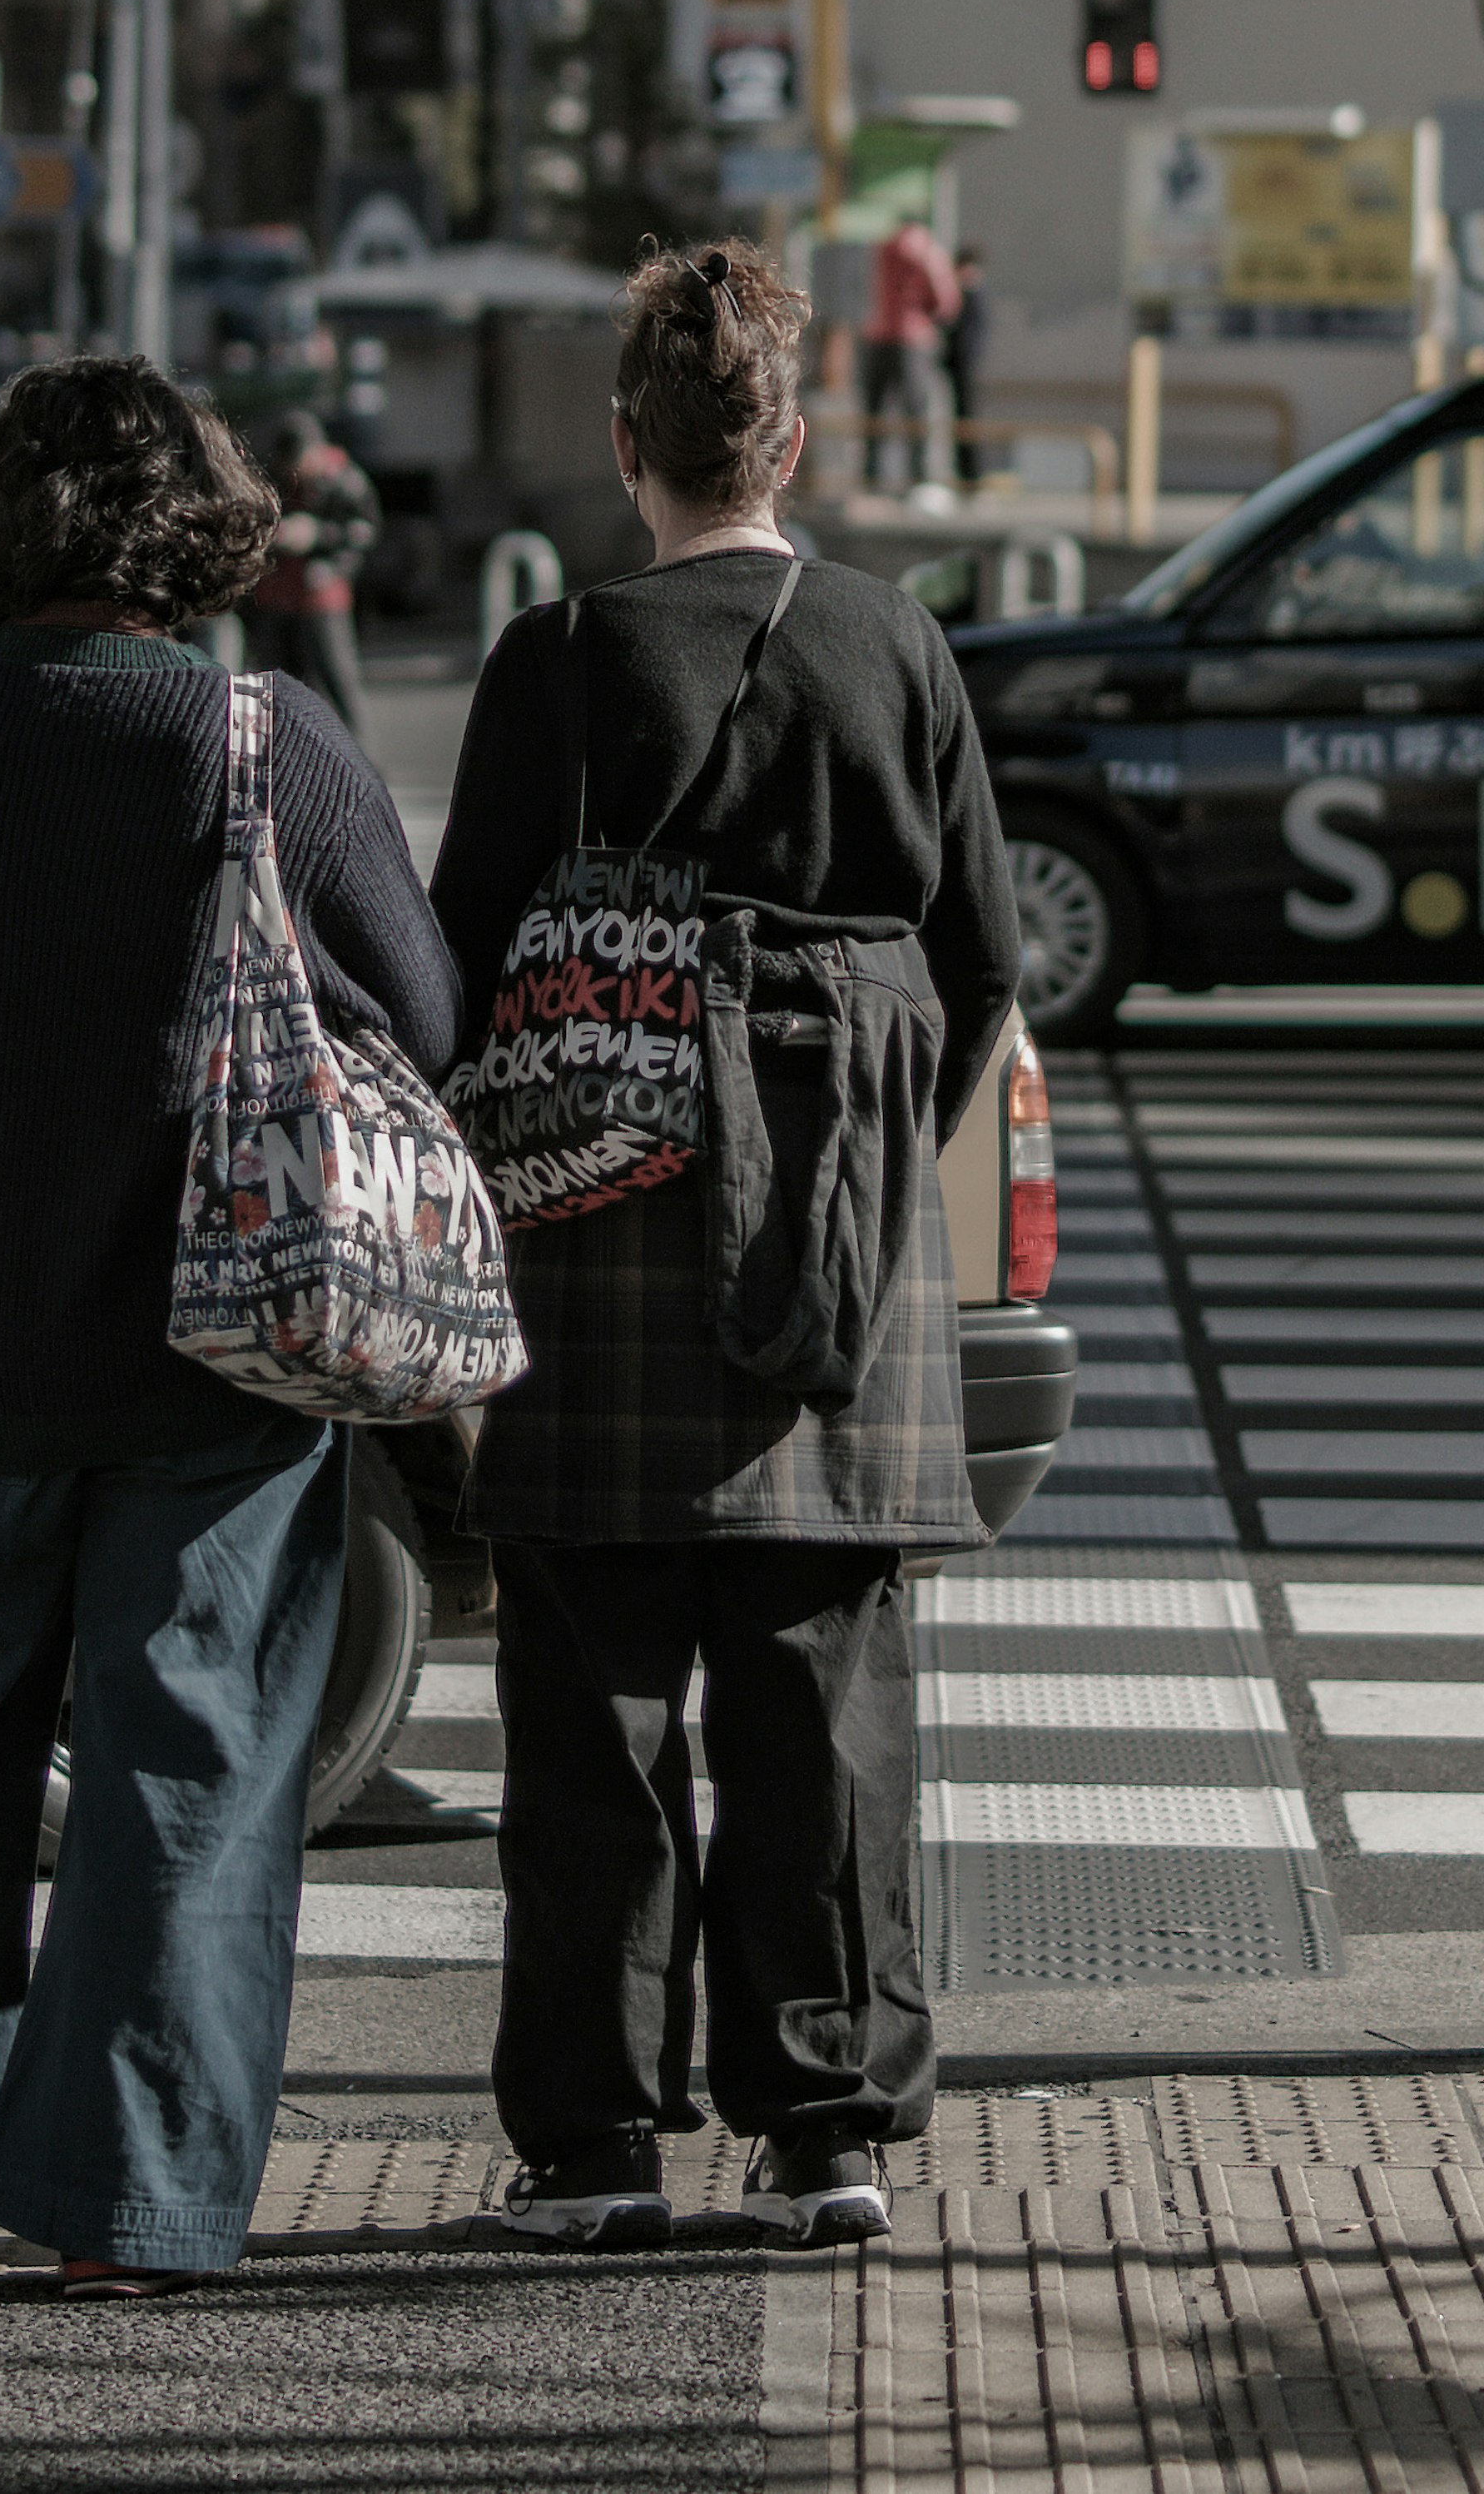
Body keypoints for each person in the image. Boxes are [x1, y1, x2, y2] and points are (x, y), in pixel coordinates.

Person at [0, 352, 461, 2293]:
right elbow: (419, 1002)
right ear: (193, 526)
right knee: (185, 1770)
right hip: (204, 1344)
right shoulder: (260, 741)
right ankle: (123, 2212)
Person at [429, 241, 1015, 2254]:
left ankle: (590, 2151)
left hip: (599, 1233)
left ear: (627, 450)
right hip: (835, 1246)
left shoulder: (558, 654)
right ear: (794, 438)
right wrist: (855, 1155)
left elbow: (452, 962)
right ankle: (824, 2131)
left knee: (590, 1704)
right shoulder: (897, 646)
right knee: (822, 1697)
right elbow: (986, 961)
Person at [245, 405, 382, 736]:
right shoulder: (276, 478)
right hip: (278, 594)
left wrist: (319, 535)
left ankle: (356, 755)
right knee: (273, 682)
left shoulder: (343, 479)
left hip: (322, 595)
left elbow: (364, 531)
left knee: (336, 679)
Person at [858, 214, 960, 490]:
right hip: (913, 338)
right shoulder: (926, 249)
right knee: (916, 413)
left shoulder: (884, 248)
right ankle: (919, 479)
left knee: (874, 414)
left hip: (877, 332)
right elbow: (945, 301)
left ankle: (871, 477)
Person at [944, 245, 990, 488]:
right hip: (962, 364)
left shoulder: (972, 294)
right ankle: (965, 474)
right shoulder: (971, 294)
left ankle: (971, 476)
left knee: (968, 419)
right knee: (962, 419)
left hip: (966, 365)